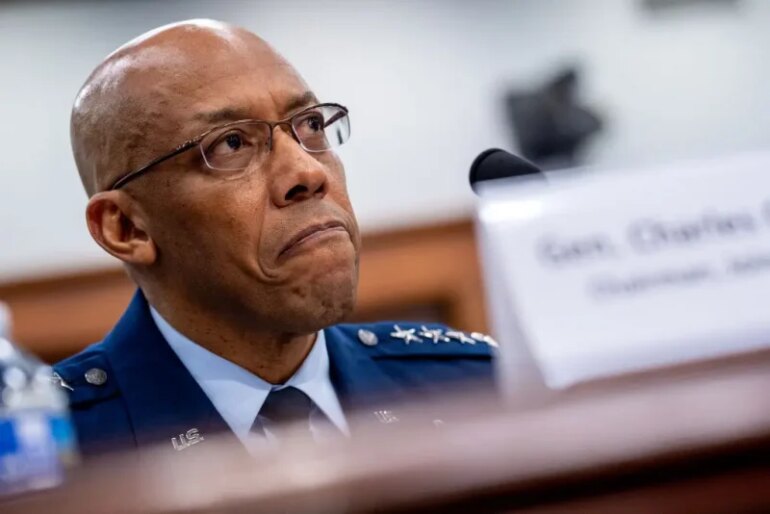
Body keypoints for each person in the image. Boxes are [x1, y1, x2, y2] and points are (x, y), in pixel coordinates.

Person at [53, 19, 496, 457]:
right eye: (230, 144)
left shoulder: (471, 384)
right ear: (126, 228)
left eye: (311, 126)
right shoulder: (44, 454)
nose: (308, 172)